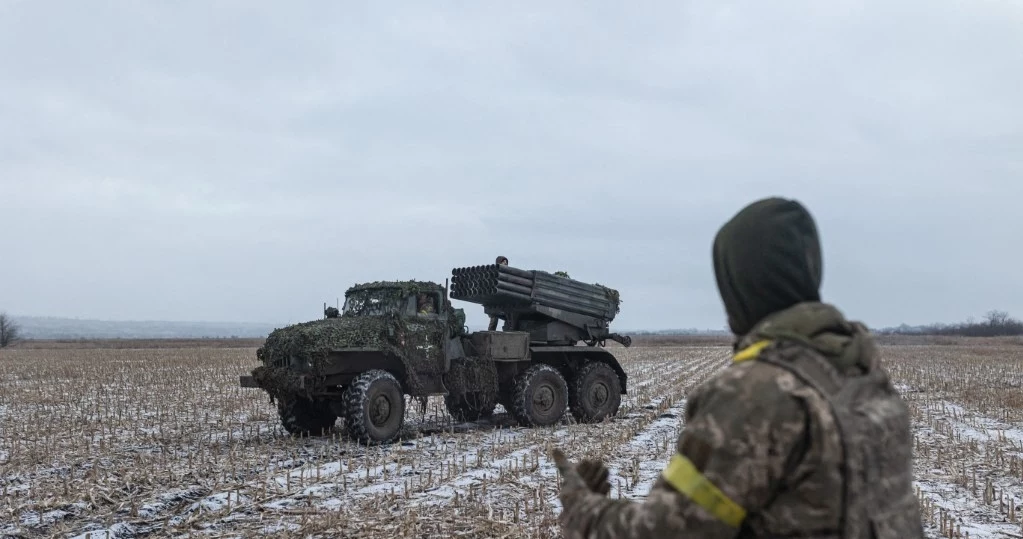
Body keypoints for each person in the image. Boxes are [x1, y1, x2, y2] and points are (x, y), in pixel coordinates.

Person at [552, 197, 924, 538]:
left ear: (741, 287)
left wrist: (586, 513)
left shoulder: (755, 395)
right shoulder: (865, 377)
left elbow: (668, 532)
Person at [488, 256, 509, 331]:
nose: (505, 264)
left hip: (504, 300)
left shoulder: (507, 275)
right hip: (494, 301)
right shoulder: (494, 273)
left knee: (509, 319)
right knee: (494, 320)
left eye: (506, 263)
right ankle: (490, 333)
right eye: (503, 262)